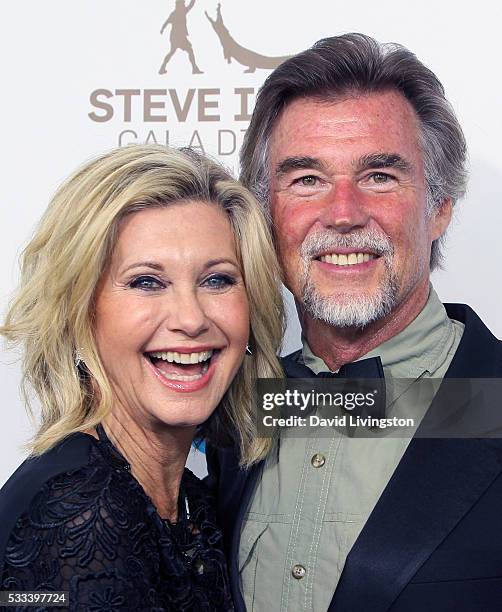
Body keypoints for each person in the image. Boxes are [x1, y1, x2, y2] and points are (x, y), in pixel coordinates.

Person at [206, 34, 502, 611]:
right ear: (266, 217)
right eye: (307, 180)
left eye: (379, 177)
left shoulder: (491, 396)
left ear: (439, 206)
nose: (343, 214)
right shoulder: (231, 407)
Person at [0, 144, 284, 610]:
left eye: (217, 280)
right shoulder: (83, 512)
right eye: (146, 282)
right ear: (79, 312)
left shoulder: (187, 500)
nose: (190, 319)